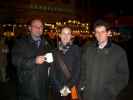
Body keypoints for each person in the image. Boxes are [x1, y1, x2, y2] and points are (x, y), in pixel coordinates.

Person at [79, 19, 129, 100]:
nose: (99, 34)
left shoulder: (118, 52)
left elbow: (123, 75)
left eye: (102, 31)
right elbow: (83, 69)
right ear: (94, 34)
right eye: (97, 32)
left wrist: (111, 90)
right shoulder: (89, 50)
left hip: (106, 96)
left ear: (108, 33)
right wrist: (82, 85)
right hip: (88, 95)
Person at [12, 18, 52, 100]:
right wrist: (34, 61)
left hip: (43, 87)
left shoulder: (47, 44)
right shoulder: (21, 43)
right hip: (27, 87)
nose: (39, 29)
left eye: (41, 27)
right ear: (30, 28)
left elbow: (50, 62)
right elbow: (15, 60)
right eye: (36, 26)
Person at [49, 26, 81, 100]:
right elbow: (52, 72)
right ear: (60, 35)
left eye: (68, 33)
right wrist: (60, 88)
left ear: (71, 36)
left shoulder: (76, 50)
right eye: (63, 33)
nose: (66, 36)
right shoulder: (54, 51)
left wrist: (68, 87)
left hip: (71, 88)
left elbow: (78, 71)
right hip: (57, 89)